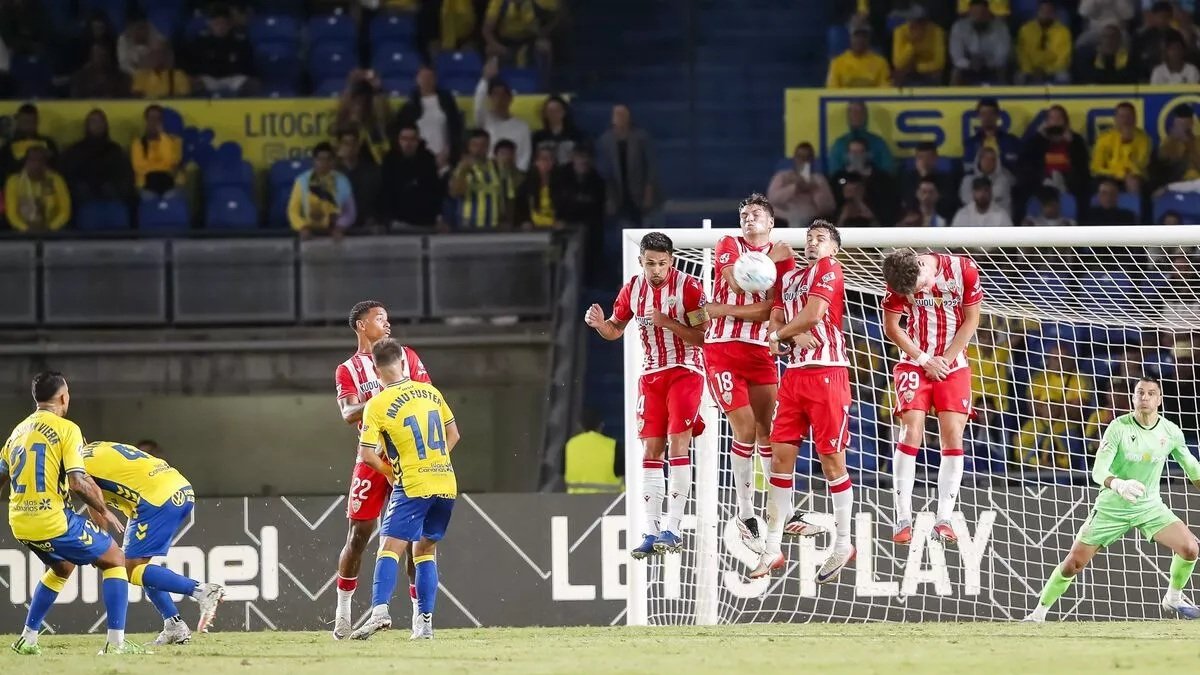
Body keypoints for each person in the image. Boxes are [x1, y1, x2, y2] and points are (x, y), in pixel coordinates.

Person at [1025, 375, 1200, 621]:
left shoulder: (1170, 432)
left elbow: (1193, 468)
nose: (1145, 397)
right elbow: (1098, 470)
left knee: (1190, 548)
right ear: (1133, 398)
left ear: (1159, 399)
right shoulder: (1118, 427)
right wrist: (1118, 484)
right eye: (1140, 392)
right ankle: (1038, 614)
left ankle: (1173, 598)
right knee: (1074, 563)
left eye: (1151, 393)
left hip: (1149, 506)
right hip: (1112, 507)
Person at [0, 372, 145, 655]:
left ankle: (27, 639)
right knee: (115, 557)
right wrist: (105, 509)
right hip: (53, 521)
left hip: (19, 521)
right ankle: (116, 644)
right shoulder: (67, 429)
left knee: (62, 567)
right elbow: (78, 482)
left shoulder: (17, 432)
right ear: (64, 397)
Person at [584, 232, 707, 558]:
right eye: (650, 263)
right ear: (640, 262)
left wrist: (668, 322)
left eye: (662, 263)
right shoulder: (632, 290)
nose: (656, 269)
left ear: (672, 262)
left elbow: (704, 337)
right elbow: (615, 329)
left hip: (685, 371)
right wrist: (599, 325)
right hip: (651, 377)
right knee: (652, 449)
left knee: (677, 441)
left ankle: (674, 527)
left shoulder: (690, 288)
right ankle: (652, 531)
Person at [756, 220, 855, 584]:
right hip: (794, 377)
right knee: (779, 456)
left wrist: (782, 335)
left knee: (831, 460)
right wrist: (784, 337)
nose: (813, 244)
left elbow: (812, 316)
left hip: (828, 372)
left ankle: (843, 543)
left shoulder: (831, 269)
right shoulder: (789, 279)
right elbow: (774, 326)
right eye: (809, 239)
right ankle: (772, 546)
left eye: (821, 239)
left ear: (834, 248)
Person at [700, 194, 797, 554]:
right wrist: (769, 261)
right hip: (722, 349)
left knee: (768, 432)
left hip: (759, 352)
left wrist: (722, 308)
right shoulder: (728, 244)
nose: (748, 218)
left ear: (771, 222)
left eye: (756, 213)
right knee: (743, 428)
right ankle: (745, 514)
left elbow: (773, 308)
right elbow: (740, 282)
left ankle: (779, 510)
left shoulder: (786, 256)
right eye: (744, 214)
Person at [331, 301, 431, 640]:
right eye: (379, 318)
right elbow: (347, 414)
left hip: (410, 457)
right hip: (371, 459)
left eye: (388, 317)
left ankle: (421, 617)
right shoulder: (348, 369)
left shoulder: (408, 357)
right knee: (358, 536)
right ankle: (343, 612)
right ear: (361, 325)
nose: (387, 323)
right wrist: (385, 398)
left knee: (414, 538)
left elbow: (428, 396)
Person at [349, 339, 460, 641]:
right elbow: (454, 434)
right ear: (403, 361)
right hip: (445, 482)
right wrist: (436, 461)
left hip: (412, 484)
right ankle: (424, 625)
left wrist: (392, 472)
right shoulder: (431, 392)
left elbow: (368, 454)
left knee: (390, 548)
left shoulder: (377, 404)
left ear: (375, 368)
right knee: (425, 550)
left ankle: (380, 612)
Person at [882, 248, 984, 546]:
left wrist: (946, 360)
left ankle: (944, 518)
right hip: (915, 360)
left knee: (952, 436)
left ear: (921, 265)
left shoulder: (963, 269)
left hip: (954, 365)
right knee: (910, 430)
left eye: (921, 285)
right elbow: (892, 328)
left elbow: (972, 320)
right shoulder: (899, 279)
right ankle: (903, 518)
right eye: (914, 292)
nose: (921, 291)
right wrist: (924, 358)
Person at [80, 441, 225, 645]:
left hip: (155, 499)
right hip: (177, 487)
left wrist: (101, 542)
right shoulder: (96, 447)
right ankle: (174, 625)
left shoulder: (75, 465)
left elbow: (91, 494)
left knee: (127, 568)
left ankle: (202, 591)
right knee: (137, 566)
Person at [379, 122, 444, 229]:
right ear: (398, 140)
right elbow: (385, 192)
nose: (408, 143)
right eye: (404, 139)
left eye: (412, 139)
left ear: (418, 141)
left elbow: (435, 190)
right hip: (397, 221)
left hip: (425, 221)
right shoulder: (390, 160)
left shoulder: (427, 159)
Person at [288, 142, 356, 237]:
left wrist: (340, 226)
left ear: (333, 161)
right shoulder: (302, 181)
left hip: (335, 232)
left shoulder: (342, 181)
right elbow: (292, 211)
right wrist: (302, 228)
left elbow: (350, 212)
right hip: (309, 232)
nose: (324, 163)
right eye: (320, 159)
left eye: (328, 159)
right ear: (313, 161)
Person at [474, 58, 532, 170]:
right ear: (489, 98)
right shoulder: (485, 120)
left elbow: (525, 156)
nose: (499, 100)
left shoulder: (522, 127)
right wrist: (485, 79)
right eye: (495, 95)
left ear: (510, 98)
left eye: (503, 95)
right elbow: (478, 105)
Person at [766, 142, 836, 228]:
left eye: (807, 157)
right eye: (800, 157)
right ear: (794, 158)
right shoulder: (782, 177)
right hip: (783, 220)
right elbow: (772, 199)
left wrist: (814, 189)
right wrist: (794, 188)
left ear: (812, 160)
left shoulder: (819, 179)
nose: (803, 160)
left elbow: (829, 207)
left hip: (811, 221)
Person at [4, 145, 70, 232]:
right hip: (22, 233)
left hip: (52, 232)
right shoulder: (14, 181)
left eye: (40, 160)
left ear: (45, 163)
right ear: (26, 162)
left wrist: (51, 228)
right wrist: (25, 229)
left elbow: (65, 211)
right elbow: (11, 214)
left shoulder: (56, 180)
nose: (36, 164)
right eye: (32, 160)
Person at [450, 129, 505, 229]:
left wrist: (505, 219)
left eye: (483, 145)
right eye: (475, 145)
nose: (479, 149)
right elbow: (455, 193)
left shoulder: (496, 166)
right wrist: (463, 172)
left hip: (494, 225)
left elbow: (504, 196)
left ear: (488, 146)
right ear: (469, 146)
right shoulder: (462, 167)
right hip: (469, 224)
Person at [1091, 101, 1150, 195]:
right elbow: (1096, 167)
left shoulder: (1143, 139)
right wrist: (1119, 173)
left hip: (1135, 176)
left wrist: (1127, 143)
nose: (1125, 120)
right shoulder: (1104, 138)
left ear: (1135, 119)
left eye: (1129, 116)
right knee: (1104, 184)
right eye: (1122, 116)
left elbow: (1140, 165)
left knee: (1132, 181)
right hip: (1109, 175)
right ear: (1115, 119)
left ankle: (1133, 208)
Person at [564, 408, 623, 494]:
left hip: (575, 503)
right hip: (611, 503)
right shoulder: (614, 446)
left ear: (579, 425)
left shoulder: (569, 446)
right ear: (601, 425)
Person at [131, 104, 183, 199]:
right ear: (146, 121)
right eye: (151, 118)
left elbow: (169, 159)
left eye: (158, 119)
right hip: (146, 184)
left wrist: (162, 136)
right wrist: (162, 167)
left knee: (172, 196)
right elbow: (139, 167)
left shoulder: (174, 141)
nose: (154, 122)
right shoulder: (138, 143)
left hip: (170, 183)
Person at [1015, 0, 1072, 84]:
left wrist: (1047, 71)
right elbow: (1022, 54)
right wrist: (1029, 70)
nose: (1046, 14)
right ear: (1037, 12)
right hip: (1031, 70)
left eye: (1049, 11)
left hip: (1053, 71)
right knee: (1019, 77)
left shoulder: (1063, 32)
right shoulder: (1026, 30)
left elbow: (1063, 58)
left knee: (1063, 77)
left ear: (1054, 13)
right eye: (1043, 11)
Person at [826, 26, 891, 88]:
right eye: (856, 36)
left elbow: (885, 91)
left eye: (864, 36)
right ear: (850, 38)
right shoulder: (837, 63)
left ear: (869, 39)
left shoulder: (881, 63)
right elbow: (831, 90)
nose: (860, 39)